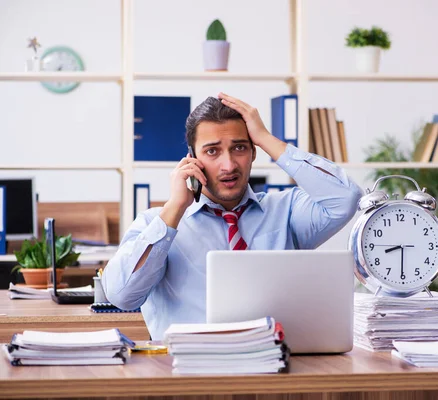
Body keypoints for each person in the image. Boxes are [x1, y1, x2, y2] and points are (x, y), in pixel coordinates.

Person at [102, 93, 362, 340]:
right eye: (212, 151)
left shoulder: (287, 211)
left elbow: (346, 198)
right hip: (188, 373)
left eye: (239, 148)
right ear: (192, 159)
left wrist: (265, 138)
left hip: (273, 368)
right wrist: (175, 207)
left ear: (253, 153)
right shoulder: (156, 224)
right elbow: (121, 296)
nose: (229, 166)